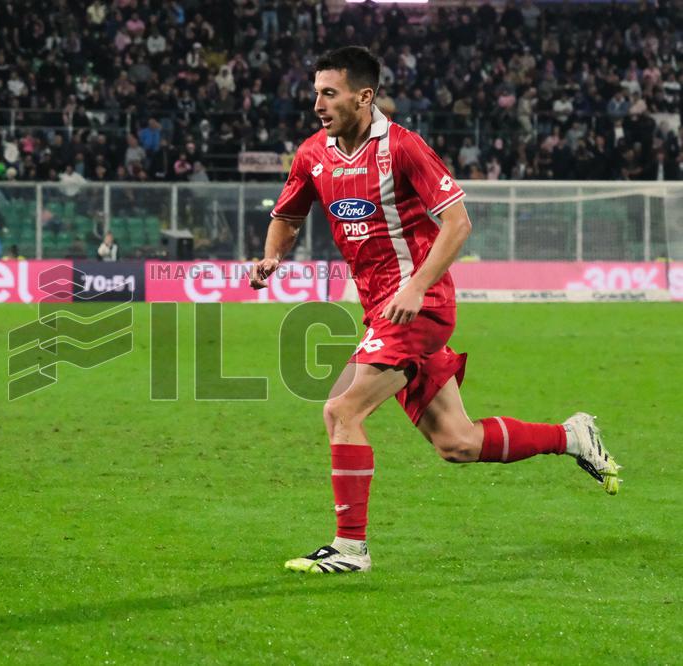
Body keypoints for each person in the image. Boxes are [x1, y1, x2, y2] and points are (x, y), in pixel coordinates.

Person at [250, 46, 621, 575]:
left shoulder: (403, 148)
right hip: (383, 311)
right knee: (458, 444)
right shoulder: (313, 154)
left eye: (328, 93)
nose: (317, 104)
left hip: (419, 308)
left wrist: (417, 287)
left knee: (341, 411)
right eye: (315, 93)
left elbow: (458, 223)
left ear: (364, 95)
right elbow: (287, 215)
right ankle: (572, 436)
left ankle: (350, 548)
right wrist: (271, 256)